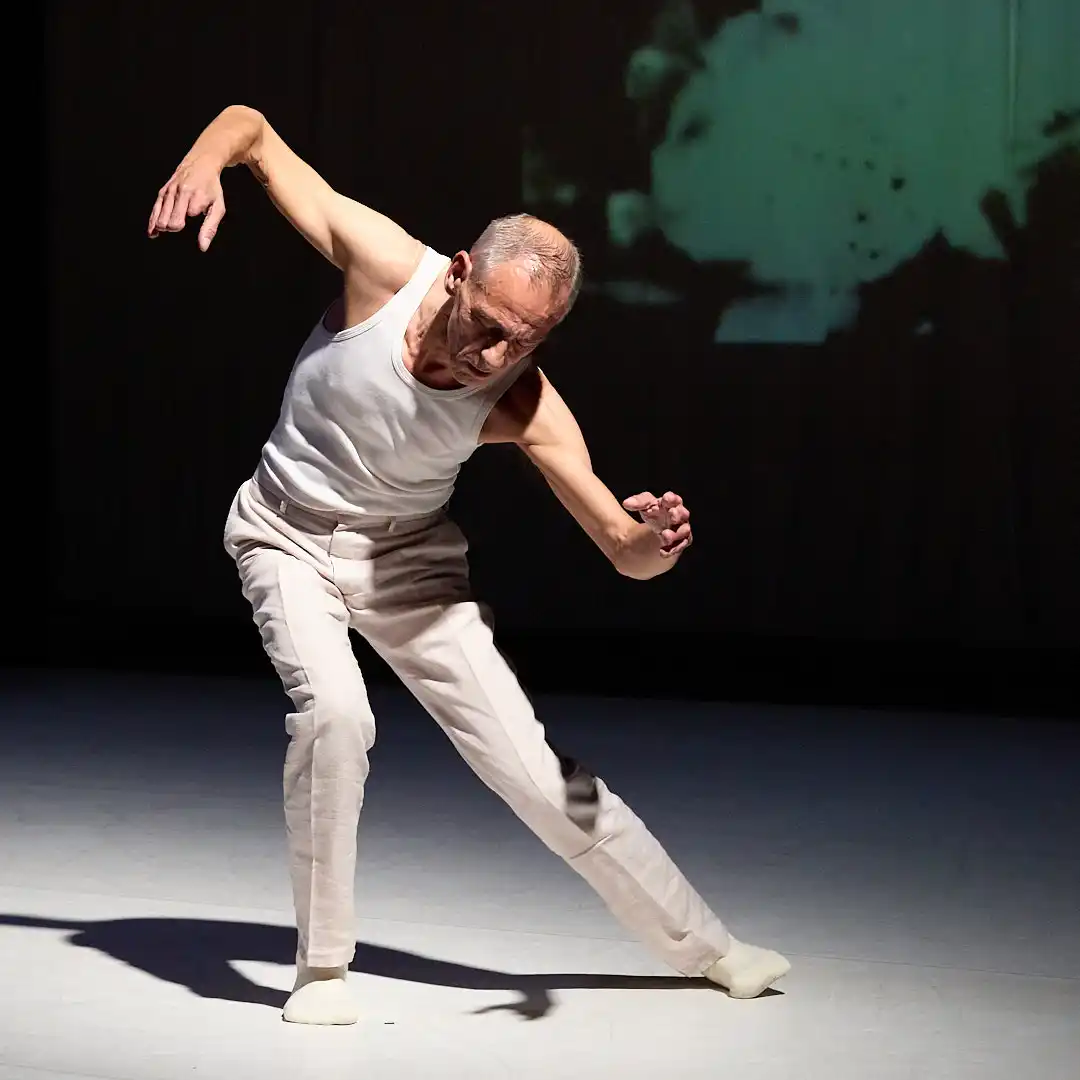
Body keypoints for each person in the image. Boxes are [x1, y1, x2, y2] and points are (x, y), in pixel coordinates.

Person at [147, 105, 791, 1025]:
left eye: (521, 341)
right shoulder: (383, 268)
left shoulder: (523, 402)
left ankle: (712, 949)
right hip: (284, 534)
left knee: (536, 772)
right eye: (487, 323)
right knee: (335, 715)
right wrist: (203, 163)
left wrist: (651, 543)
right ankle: (322, 970)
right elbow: (251, 129)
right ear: (457, 273)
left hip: (408, 564)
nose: (491, 354)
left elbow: (621, 552)